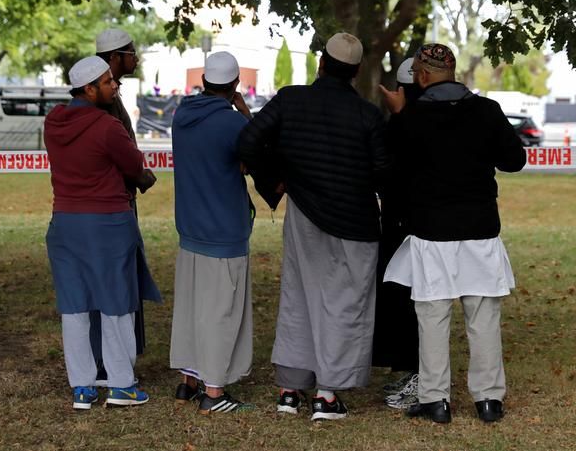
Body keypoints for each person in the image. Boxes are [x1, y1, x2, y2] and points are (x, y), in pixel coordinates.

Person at [238, 32, 390, 421]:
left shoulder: (290, 99)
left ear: (321, 64)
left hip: (303, 214)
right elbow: (383, 172)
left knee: (298, 296)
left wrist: (276, 179)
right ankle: (326, 395)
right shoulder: (368, 115)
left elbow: (249, 140)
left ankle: (290, 390)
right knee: (344, 303)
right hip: (354, 222)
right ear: (355, 72)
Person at [378, 43, 526, 424]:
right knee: (483, 319)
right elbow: (514, 160)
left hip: (431, 230)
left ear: (422, 76)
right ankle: (489, 400)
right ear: (453, 72)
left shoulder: (412, 119)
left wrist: (398, 115)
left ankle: (435, 400)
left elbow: (391, 168)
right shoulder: (487, 111)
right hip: (480, 228)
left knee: (432, 317)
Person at [44, 56, 162, 410]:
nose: (116, 86)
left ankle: (82, 386)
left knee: (75, 308)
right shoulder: (108, 126)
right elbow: (133, 165)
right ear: (89, 88)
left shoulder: (53, 123)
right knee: (117, 305)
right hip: (108, 222)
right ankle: (122, 384)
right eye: (109, 82)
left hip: (64, 223)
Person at [170, 51, 255, 414]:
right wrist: (244, 111)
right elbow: (255, 157)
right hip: (224, 230)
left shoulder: (181, 116)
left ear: (203, 82)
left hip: (190, 228)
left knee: (192, 308)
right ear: (235, 85)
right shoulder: (232, 124)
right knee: (221, 311)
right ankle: (215, 393)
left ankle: (188, 381)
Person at [91, 28, 156, 386]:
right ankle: (108, 365)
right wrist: (142, 177)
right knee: (113, 284)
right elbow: (118, 152)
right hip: (112, 204)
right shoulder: (102, 99)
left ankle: (118, 359)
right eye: (131, 52)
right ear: (115, 58)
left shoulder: (109, 94)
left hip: (120, 200)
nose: (136, 57)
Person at [373, 57, 421, 410]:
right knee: (406, 300)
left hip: (409, 224)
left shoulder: (406, 124)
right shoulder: (410, 121)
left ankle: (421, 374)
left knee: (413, 302)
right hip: (408, 222)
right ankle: (411, 369)